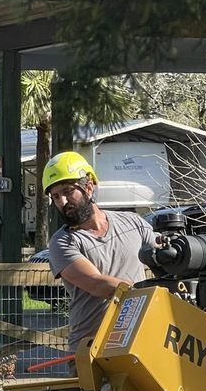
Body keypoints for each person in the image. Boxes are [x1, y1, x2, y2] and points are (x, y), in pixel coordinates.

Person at [42, 151, 155, 355]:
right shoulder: (63, 242)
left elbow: (165, 257)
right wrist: (149, 296)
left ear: (89, 187)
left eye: (68, 191)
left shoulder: (133, 223)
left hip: (141, 341)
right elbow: (96, 284)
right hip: (93, 349)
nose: (63, 202)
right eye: (56, 196)